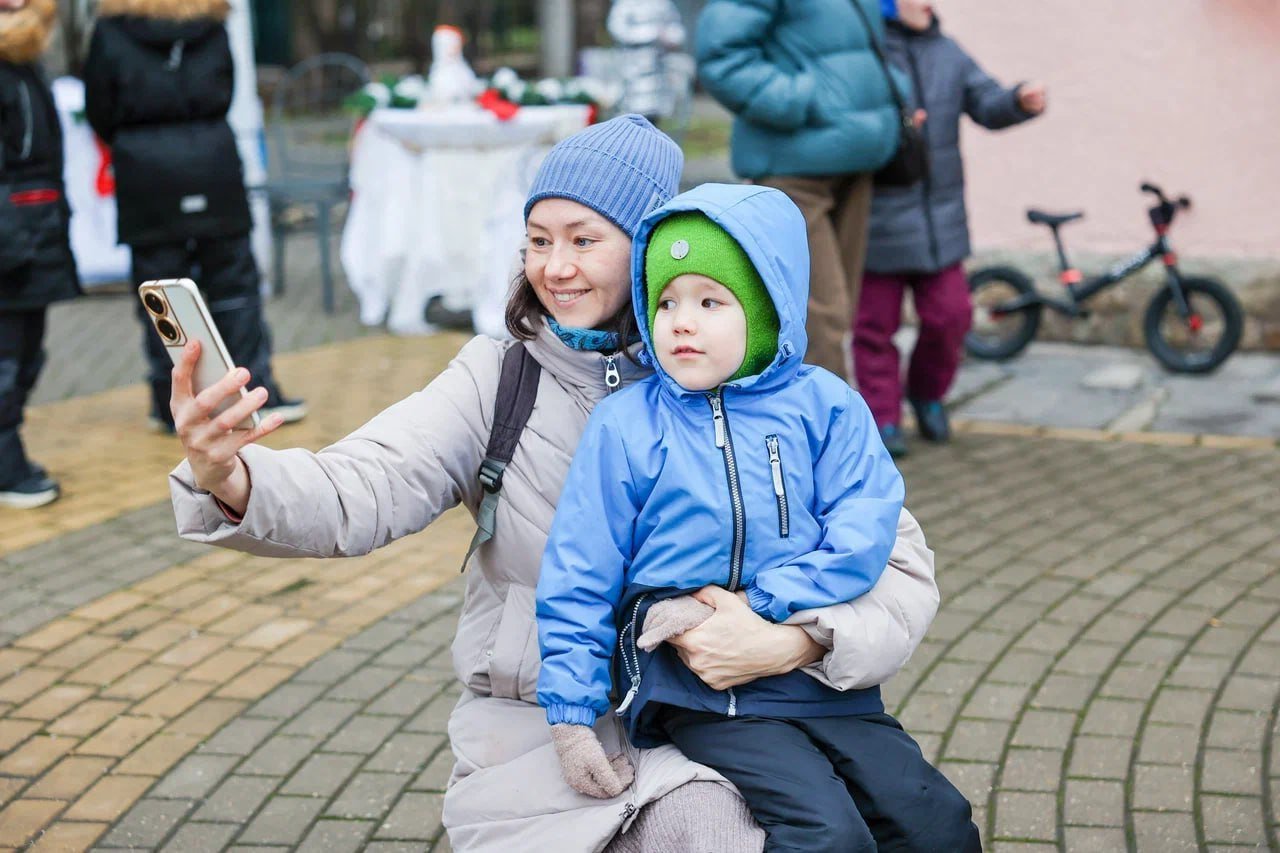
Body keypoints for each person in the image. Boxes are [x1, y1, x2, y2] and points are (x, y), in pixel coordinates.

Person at [166, 115, 942, 852]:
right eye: (538, 239)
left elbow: (897, 565)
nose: (554, 266)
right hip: (534, 729)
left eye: (583, 239)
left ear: (647, 248)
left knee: (768, 828)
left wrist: (789, 638)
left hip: (719, 712)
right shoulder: (497, 378)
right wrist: (230, 474)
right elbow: (361, 485)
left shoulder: (757, 384)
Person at [537, 183, 978, 851]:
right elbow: (579, 570)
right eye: (666, 301)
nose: (681, 321)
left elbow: (865, 526)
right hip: (705, 690)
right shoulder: (626, 425)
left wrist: (769, 603)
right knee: (826, 832)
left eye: (711, 301)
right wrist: (572, 714)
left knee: (934, 820)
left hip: (820, 677)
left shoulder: (825, 406)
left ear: (768, 308)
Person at [83, 0, 304, 433]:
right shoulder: (212, 25)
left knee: (159, 293)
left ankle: (172, 403)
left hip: (144, 170)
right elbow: (225, 89)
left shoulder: (110, 31)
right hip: (211, 160)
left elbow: (100, 109)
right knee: (234, 282)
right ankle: (254, 389)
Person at [856, 0, 1046, 456]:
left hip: (940, 224)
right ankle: (882, 416)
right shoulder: (868, 51)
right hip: (878, 220)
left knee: (951, 317)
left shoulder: (948, 52)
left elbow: (987, 101)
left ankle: (927, 394)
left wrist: (1017, 100)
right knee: (873, 329)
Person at [695, 0, 907, 382]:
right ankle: (824, 434)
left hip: (854, 163)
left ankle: (831, 422)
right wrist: (800, 98)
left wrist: (890, 95)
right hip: (793, 169)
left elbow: (863, 47)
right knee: (818, 313)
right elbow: (721, 56)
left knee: (838, 313)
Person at [0, 0, 79, 509]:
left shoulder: (25, 58)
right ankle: (5, 463)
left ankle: (8, 452)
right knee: (6, 358)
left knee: (28, 353)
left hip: (37, 227)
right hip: (13, 232)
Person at [606, 0, 686, 123]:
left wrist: (671, 37)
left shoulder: (663, 3)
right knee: (630, 114)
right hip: (632, 67)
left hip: (659, 70)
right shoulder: (625, 4)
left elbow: (676, 29)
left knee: (653, 115)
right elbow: (617, 29)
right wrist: (652, 34)